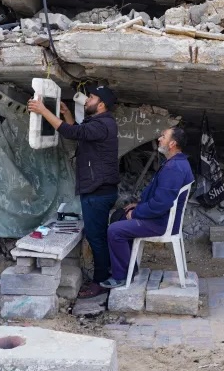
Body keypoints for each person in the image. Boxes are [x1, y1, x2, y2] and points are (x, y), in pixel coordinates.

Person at [28, 85, 119, 298]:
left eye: (92, 98)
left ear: (102, 105)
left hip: (98, 192)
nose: (87, 100)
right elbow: (79, 133)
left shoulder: (103, 125)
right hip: (98, 190)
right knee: (97, 236)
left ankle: (100, 281)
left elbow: (71, 132)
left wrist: (43, 110)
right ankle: (106, 274)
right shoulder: (99, 123)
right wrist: (67, 114)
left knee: (96, 238)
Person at [99, 127, 194, 288]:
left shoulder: (174, 168)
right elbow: (161, 198)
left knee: (115, 230)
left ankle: (121, 276)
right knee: (118, 215)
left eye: (163, 136)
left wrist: (136, 213)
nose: (159, 139)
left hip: (161, 223)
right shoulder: (175, 162)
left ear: (172, 144)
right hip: (161, 217)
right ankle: (128, 267)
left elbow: (161, 204)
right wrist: (138, 205)